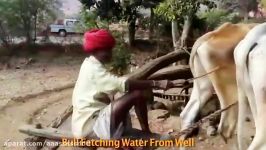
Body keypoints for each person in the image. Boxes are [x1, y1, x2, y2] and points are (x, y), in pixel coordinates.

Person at [71, 29, 173, 140]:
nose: (111, 53)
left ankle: (141, 133)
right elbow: (122, 84)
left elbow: (114, 85)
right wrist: (156, 83)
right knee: (137, 94)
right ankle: (147, 133)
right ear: (97, 50)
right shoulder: (93, 69)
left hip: (86, 124)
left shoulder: (89, 64)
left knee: (126, 96)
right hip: (91, 127)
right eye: (108, 50)